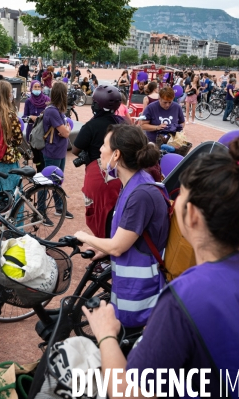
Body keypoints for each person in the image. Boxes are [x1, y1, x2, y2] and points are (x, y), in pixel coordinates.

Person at [83, 123, 239, 397]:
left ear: (191, 216)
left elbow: (129, 393)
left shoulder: (184, 299)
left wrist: (106, 333)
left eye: (180, 198)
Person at [75, 124, 168, 328]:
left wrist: (84, 237)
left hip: (139, 292)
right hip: (131, 286)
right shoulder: (133, 184)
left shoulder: (141, 194)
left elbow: (118, 246)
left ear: (116, 154)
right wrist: (104, 249)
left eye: (104, 145)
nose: (100, 149)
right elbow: (129, 239)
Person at [73, 85, 126, 238]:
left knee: (98, 216)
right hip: (121, 174)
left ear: (96, 105)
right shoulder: (123, 122)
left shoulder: (91, 126)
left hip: (98, 176)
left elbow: (76, 149)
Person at [38, 81, 72, 222]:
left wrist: (66, 130)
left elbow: (66, 129)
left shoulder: (58, 110)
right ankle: (40, 210)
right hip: (53, 151)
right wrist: (66, 130)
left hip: (59, 150)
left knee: (57, 181)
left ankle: (58, 206)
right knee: (46, 182)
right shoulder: (52, 110)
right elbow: (65, 132)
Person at [22, 80, 50, 172]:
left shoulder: (47, 100)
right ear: (31, 88)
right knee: (36, 156)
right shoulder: (28, 101)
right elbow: (24, 117)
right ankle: (39, 172)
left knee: (44, 155)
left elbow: (51, 114)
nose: (37, 89)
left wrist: (39, 118)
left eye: (39, 87)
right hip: (33, 132)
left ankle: (45, 172)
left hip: (44, 132)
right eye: (35, 87)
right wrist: (30, 117)